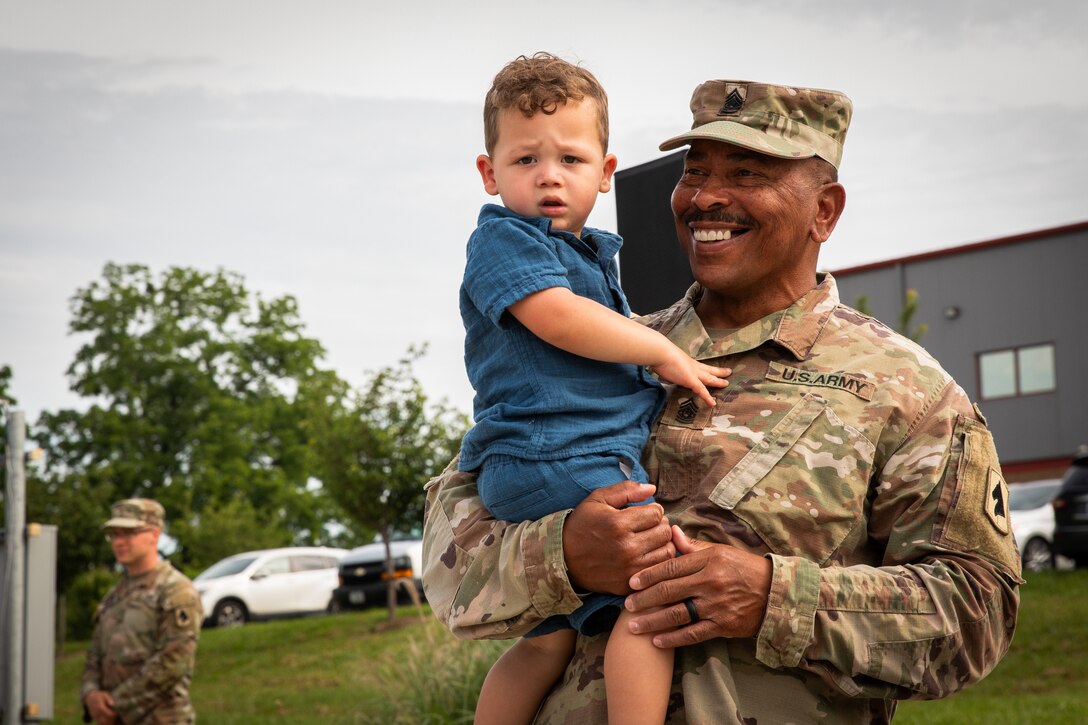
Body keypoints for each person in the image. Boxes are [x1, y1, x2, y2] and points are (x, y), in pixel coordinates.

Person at [423, 78, 1023, 723]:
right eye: (694, 171)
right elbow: (448, 558)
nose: (707, 197)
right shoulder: (599, 344)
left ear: (824, 210)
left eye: (746, 173)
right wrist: (563, 553)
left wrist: (771, 597)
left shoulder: (909, 391)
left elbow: (975, 615)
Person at [459, 53, 730, 725]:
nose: (549, 175)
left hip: (546, 460)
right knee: (654, 595)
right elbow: (557, 317)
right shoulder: (503, 241)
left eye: (572, 160)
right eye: (525, 161)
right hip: (563, 457)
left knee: (549, 634)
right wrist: (660, 348)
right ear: (489, 173)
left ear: (606, 174)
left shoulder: (588, 255)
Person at [81, 499, 203, 724]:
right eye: (114, 535)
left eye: (129, 533)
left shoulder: (176, 591)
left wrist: (116, 705)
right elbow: (95, 655)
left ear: (154, 535)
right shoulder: (113, 596)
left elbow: (174, 662)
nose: (119, 542)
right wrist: (91, 695)